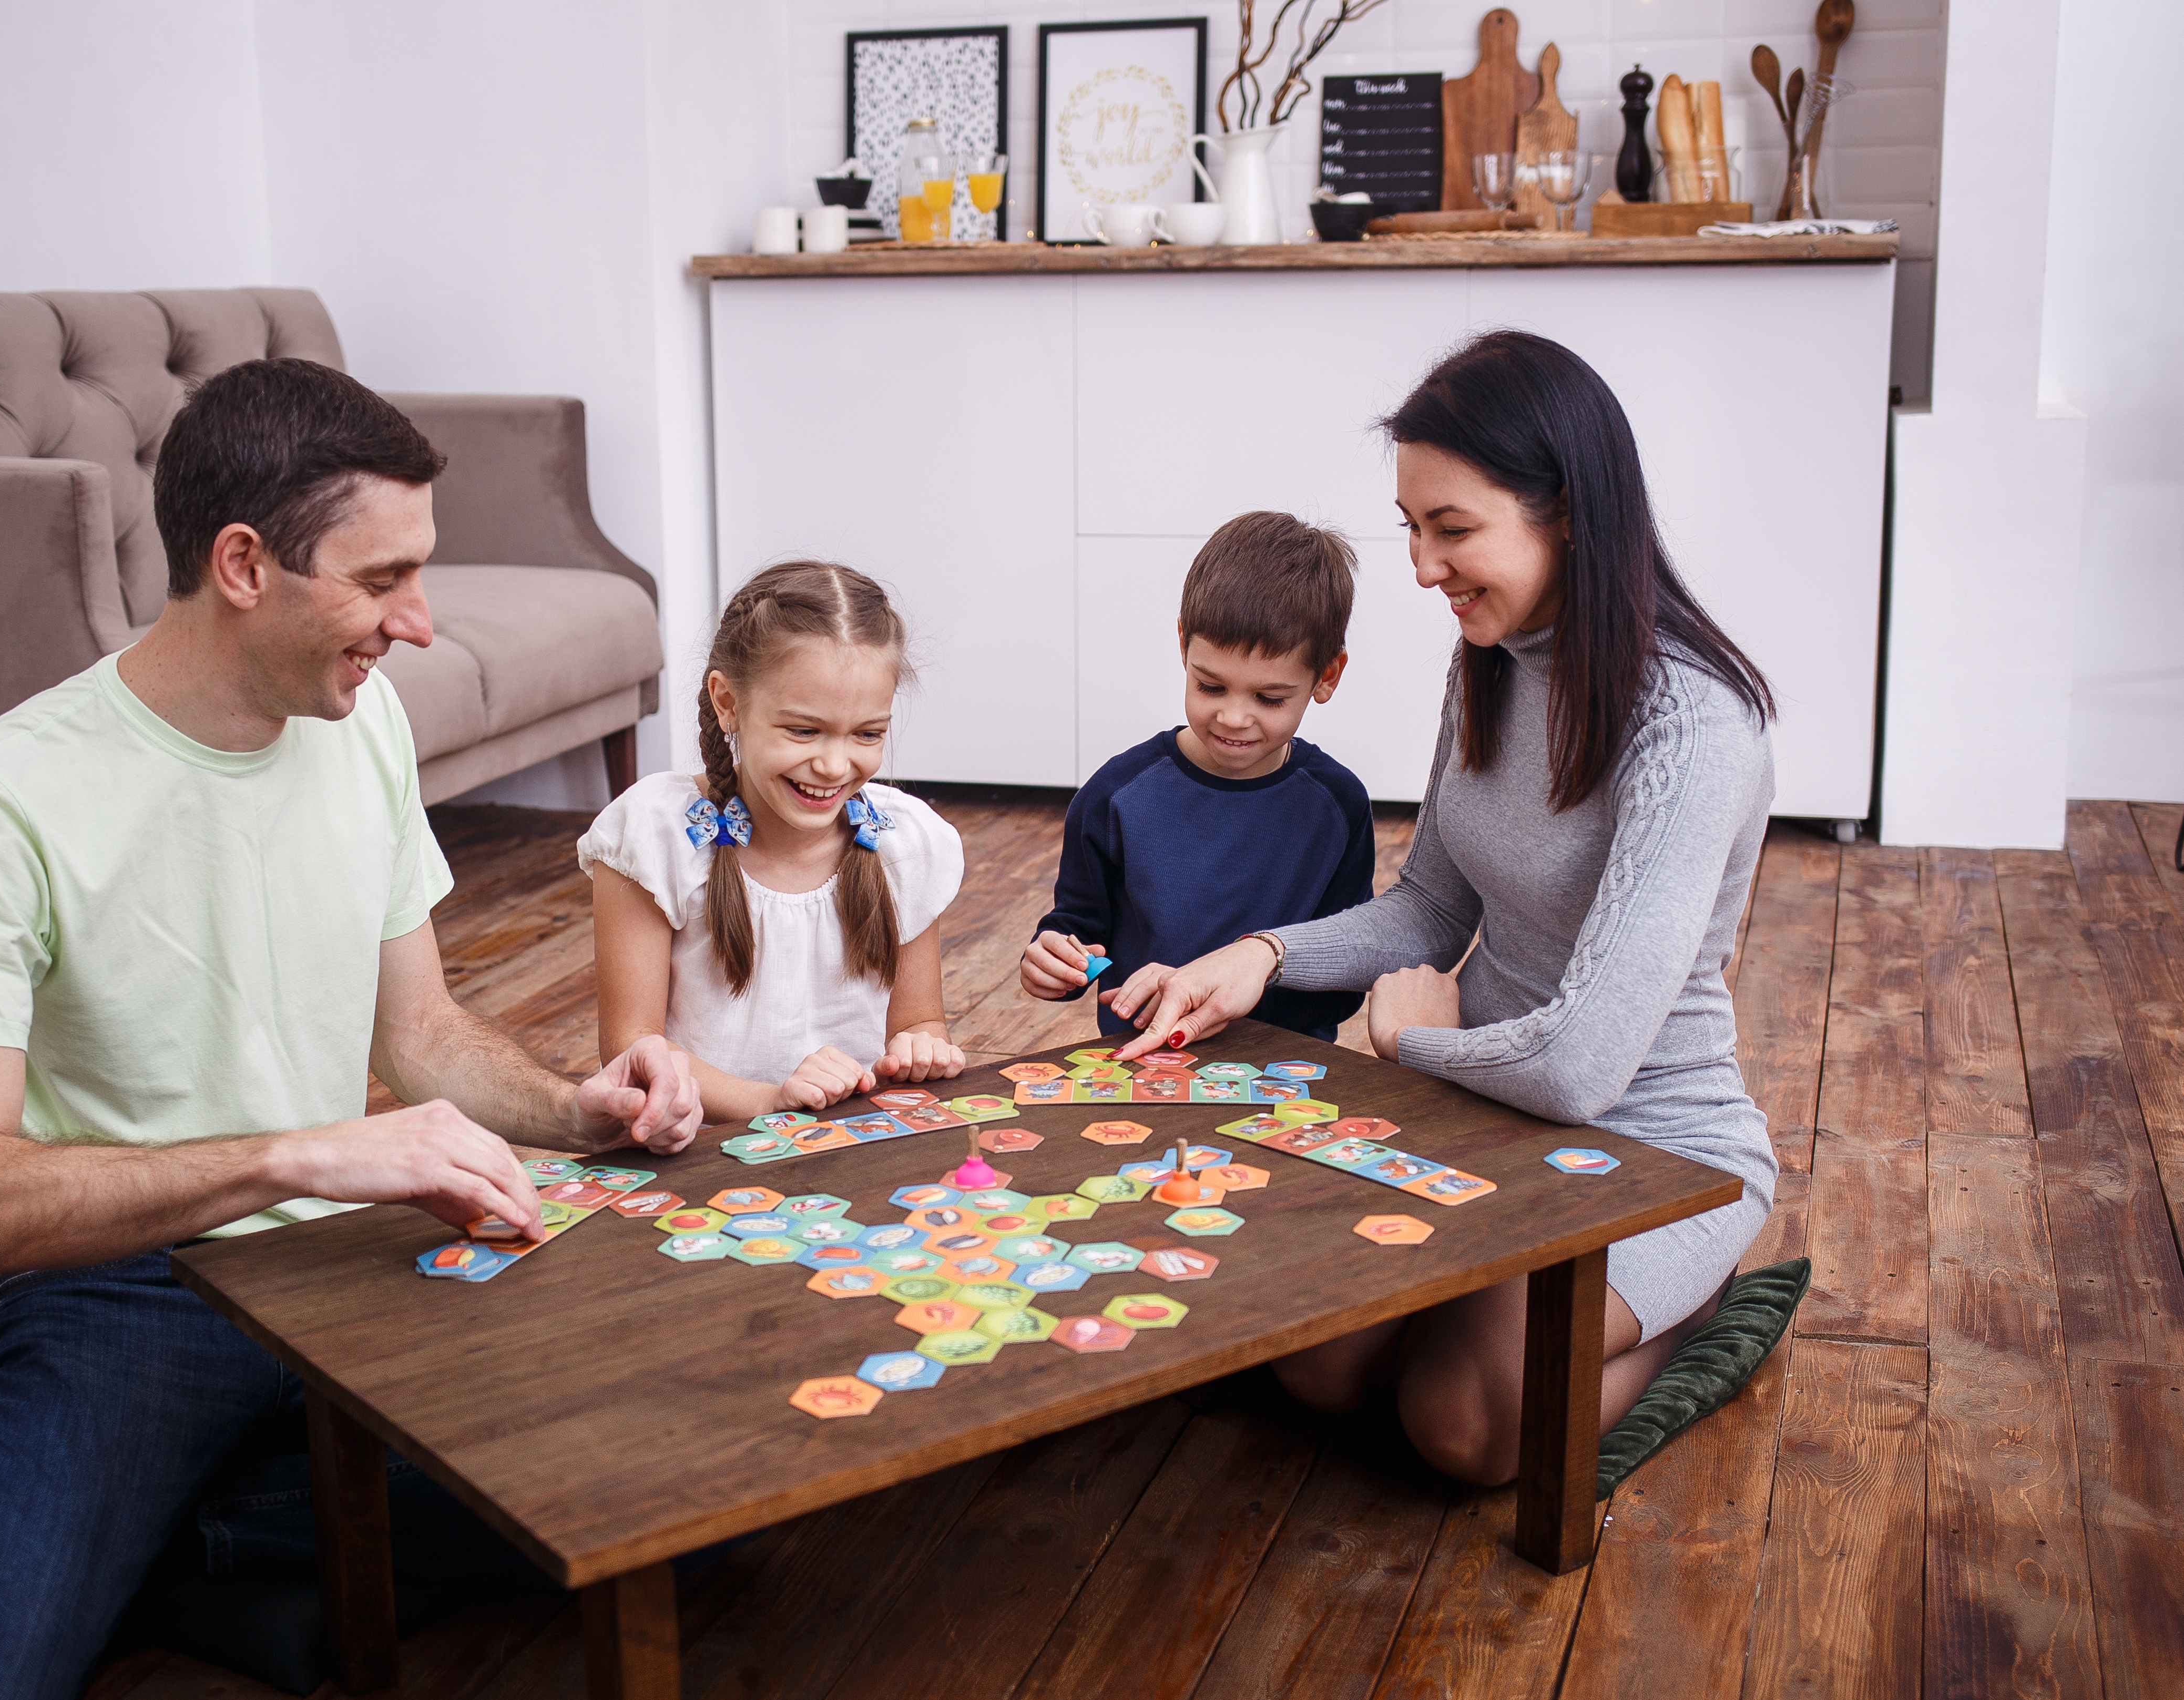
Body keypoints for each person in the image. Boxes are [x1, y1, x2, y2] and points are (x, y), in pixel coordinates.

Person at [0, 358, 703, 1699]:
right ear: (245, 564)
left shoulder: (355, 725)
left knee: (672, 1496)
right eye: (382, 582)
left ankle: (160, 1534)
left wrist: (577, 1110)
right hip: (127, 1283)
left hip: (349, 1256)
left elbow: (419, 1030)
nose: (421, 623)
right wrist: (295, 1156)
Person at [1115, 331, 1779, 1486]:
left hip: (1646, 1140)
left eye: (1452, 529)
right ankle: (1511, 1303)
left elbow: (1579, 1069)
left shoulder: (1694, 724)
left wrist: (1410, 1036)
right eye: (1412, 527)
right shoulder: (1490, 659)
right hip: (1480, 1110)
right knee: (1316, 1369)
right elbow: (1428, 910)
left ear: (1564, 510)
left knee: (1459, 1426)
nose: (1421, 567)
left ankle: (1694, 1296)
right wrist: (1260, 956)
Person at [585, 560, 966, 1123]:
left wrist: (921, 1047)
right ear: (728, 703)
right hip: (699, 1150)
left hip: (850, 1143)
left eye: (867, 734)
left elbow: (917, 1022)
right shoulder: (653, 837)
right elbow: (631, 1049)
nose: (834, 765)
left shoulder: (903, 844)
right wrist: (772, 1102)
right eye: (803, 730)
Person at [1020, 511, 1376, 1042]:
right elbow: (1079, 928)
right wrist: (1055, 958)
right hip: (1144, 1066)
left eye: (1269, 698)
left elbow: (1346, 975)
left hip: (1287, 1076)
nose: (1234, 717)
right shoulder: (1115, 796)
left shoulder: (1338, 805)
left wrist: (1234, 999)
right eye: (1211, 687)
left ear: (1327, 676)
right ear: (1184, 645)